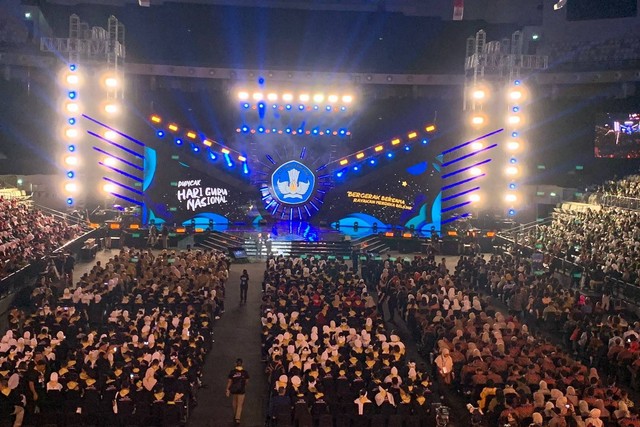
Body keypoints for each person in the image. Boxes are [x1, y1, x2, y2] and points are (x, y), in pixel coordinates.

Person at [226, 358, 250, 424]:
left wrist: (227, 389)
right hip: (241, 390)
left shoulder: (232, 372)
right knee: (240, 404)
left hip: (234, 390)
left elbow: (229, 381)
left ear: (235, 364)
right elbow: (246, 381)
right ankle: (237, 418)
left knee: (234, 403)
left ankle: (235, 414)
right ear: (242, 364)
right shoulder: (245, 372)